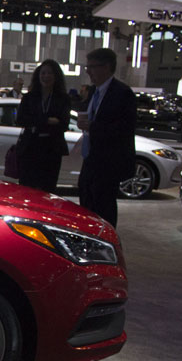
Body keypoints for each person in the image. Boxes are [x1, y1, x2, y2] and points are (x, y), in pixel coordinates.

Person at [75, 48, 136, 227]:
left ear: (107, 67)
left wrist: (93, 127)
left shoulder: (122, 93)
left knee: (104, 210)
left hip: (108, 163)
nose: (88, 72)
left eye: (92, 67)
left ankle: (104, 245)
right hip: (90, 159)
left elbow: (125, 129)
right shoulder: (94, 91)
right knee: (86, 204)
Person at [15, 59, 71, 193]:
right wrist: (47, 120)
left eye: (50, 73)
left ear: (56, 76)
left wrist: (36, 121)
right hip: (30, 147)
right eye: (43, 73)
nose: (46, 76)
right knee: (27, 188)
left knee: (48, 189)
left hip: (52, 149)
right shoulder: (30, 97)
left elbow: (63, 123)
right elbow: (21, 120)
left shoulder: (63, 98)